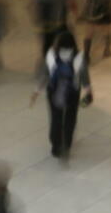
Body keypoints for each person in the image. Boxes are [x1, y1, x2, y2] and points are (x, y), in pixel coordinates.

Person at [33, 31, 91, 160]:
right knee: (70, 118)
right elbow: (85, 77)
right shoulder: (79, 57)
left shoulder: (51, 55)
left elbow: (44, 75)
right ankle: (67, 145)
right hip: (73, 92)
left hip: (54, 91)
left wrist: (37, 91)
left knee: (55, 118)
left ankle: (56, 145)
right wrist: (88, 92)